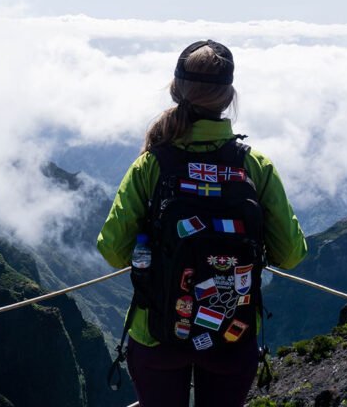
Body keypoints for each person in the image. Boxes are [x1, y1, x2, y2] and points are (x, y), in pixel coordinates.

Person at [97, 40, 308, 407]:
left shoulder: (151, 165)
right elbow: (290, 255)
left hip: (158, 333)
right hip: (232, 334)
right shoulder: (255, 166)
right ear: (228, 98)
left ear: (176, 91)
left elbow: (114, 251)